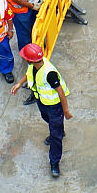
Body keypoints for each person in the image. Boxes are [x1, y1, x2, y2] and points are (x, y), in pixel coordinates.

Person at [11, 43, 72, 178]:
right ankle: (59, 130)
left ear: (30, 60)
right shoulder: (34, 65)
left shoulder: (49, 73)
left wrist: (66, 111)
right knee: (47, 119)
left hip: (55, 107)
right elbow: (29, 74)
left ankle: (54, 163)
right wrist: (19, 83)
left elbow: (60, 92)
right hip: (42, 102)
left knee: (55, 136)